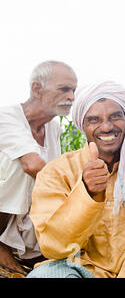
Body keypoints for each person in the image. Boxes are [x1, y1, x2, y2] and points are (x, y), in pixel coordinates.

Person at [26, 81, 125, 278]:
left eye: (115, 117)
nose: (106, 127)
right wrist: (87, 193)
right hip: (77, 267)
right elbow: (53, 246)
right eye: (94, 120)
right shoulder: (56, 172)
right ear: (83, 126)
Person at [0, 60, 77, 274]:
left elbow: (54, 171)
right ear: (37, 89)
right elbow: (33, 165)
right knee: (20, 166)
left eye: (73, 90)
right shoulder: (6, 117)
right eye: (64, 89)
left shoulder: (52, 128)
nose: (71, 97)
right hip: (6, 206)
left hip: (25, 211)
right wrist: (78, 196)